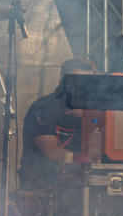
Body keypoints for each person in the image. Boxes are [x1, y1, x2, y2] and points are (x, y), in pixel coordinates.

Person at [19, 57, 96, 190]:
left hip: (79, 180)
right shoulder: (43, 107)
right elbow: (51, 152)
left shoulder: (91, 110)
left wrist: (88, 117)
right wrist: (88, 162)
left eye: (87, 82)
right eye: (77, 80)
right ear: (62, 80)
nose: (83, 86)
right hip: (40, 182)